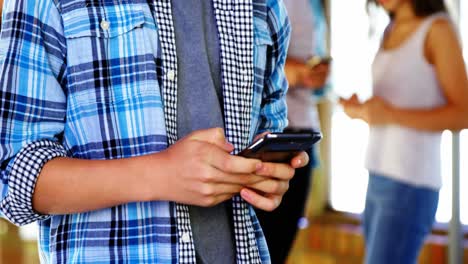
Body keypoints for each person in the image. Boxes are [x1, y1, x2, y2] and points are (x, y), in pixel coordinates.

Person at [0, 0, 309, 263]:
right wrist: (160, 175)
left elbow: (268, 127)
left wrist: (263, 174)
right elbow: (11, 179)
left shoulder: (263, 5)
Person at [340, 0, 468, 263]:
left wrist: (390, 115)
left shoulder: (438, 29)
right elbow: (394, 103)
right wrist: (363, 110)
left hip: (411, 182)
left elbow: (463, 114)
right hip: (377, 175)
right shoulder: (390, 28)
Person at [255, 0, 330, 263]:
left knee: (280, 247)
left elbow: (318, 80)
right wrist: (289, 71)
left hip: (301, 134)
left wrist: (317, 76)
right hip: (263, 137)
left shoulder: (315, 6)